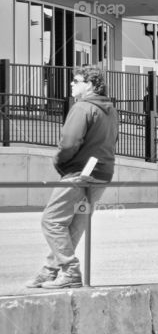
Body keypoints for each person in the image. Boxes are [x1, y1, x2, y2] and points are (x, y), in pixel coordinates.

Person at [27, 66, 119, 289]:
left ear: (89, 85)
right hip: (102, 173)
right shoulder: (111, 110)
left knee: (51, 220)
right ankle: (50, 270)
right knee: (75, 224)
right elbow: (113, 140)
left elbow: (68, 143)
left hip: (80, 174)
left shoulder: (83, 107)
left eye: (76, 81)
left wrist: (60, 163)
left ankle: (70, 271)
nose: (72, 84)